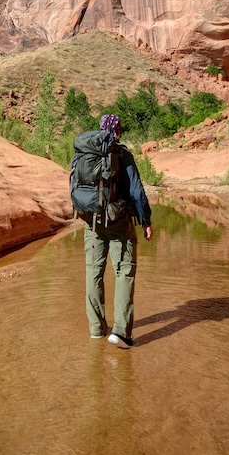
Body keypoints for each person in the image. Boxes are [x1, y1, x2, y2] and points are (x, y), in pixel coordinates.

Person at [83, 113, 152, 348]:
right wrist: (146, 220)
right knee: (124, 272)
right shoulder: (122, 154)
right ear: (119, 131)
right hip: (119, 223)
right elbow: (136, 191)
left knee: (94, 272)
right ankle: (120, 333)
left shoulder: (87, 152)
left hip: (92, 222)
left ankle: (96, 329)